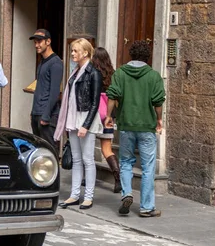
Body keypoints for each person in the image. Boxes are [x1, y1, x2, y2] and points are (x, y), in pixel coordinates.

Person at [105, 40, 166, 218]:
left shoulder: (120, 74)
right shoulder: (154, 76)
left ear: (131, 54)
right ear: (147, 57)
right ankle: (147, 207)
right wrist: (159, 119)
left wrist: (109, 116)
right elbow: (158, 101)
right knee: (148, 167)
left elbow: (112, 94)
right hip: (147, 126)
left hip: (126, 125)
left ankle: (127, 193)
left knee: (125, 162)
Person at [54, 38, 103, 210]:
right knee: (76, 159)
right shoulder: (75, 72)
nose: (73, 53)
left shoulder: (94, 73)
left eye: (75, 51)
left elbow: (95, 103)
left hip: (85, 119)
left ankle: (88, 197)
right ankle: (74, 195)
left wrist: (86, 125)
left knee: (87, 159)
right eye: (72, 50)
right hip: (73, 118)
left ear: (85, 53)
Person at [91, 47, 121, 193]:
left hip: (93, 114)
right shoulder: (113, 74)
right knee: (106, 149)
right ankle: (118, 179)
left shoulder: (91, 73)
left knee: (87, 148)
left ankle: (86, 177)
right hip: (107, 116)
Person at [29, 29, 63, 153]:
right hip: (37, 113)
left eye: (39, 41)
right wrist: (34, 113)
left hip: (47, 115)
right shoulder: (43, 62)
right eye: (35, 42)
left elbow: (54, 92)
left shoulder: (55, 63)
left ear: (48, 41)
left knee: (49, 151)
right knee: (39, 151)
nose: (37, 45)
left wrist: (46, 115)